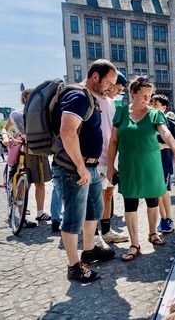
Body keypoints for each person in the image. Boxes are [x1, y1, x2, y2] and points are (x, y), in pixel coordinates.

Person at [51, 59, 117, 282]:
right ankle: (73, 266)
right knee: (72, 218)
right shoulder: (78, 95)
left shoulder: (91, 98)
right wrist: (80, 167)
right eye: (109, 82)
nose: (111, 87)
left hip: (89, 166)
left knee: (93, 210)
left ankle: (89, 250)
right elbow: (67, 132)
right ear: (95, 77)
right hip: (72, 169)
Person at [108, 80, 175, 261]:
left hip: (151, 165)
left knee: (152, 201)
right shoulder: (121, 113)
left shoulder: (154, 114)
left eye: (149, 95)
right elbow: (113, 141)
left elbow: (165, 132)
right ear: (132, 92)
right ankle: (134, 244)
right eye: (143, 95)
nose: (147, 99)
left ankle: (152, 233)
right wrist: (110, 166)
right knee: (130, 204)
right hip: (129, 165)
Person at [1, 88, 53, 228]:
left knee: (40, 182)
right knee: (25, 183)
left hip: (39, 151)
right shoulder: (16, 114)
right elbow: (5, 129)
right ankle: (21, 213)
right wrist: (5, 136)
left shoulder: (42, 114)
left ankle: (40, 212)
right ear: (24, 100)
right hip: (23, 152)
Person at [95, 70, 129, 245]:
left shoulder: (111, 104)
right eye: (118, 88)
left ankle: (107, 231)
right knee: (95, 196)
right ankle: (94, 236)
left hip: (110, 157)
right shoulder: (93, 99)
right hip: (96, 158)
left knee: (108, 193)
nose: (118, 92)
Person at [151, 95, 175, 234]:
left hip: (163, 160)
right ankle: (162, 218)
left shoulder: (169, 123)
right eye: (151, 103)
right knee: (156, 192)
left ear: (163, 107)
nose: (152, 105)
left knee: (163, 191)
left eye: (155, 104)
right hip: (150, 161)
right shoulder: (148, 121)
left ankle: (168, 218)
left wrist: (160, 147)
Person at [166, 111, 175, 182]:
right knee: (174, 162)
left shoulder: (172, 125)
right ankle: (174, 176)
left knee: (174, 162)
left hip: (173, 145)